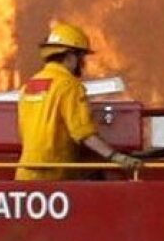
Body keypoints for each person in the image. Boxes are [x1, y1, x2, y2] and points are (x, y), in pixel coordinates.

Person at [15, 22, 140, 181]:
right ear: (69, 56)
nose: (83, 63)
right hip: (54, 174)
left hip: (25, 172)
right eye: (81, 56)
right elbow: (83, 133)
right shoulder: (69, 86)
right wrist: (116, 157)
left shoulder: (29, 85)